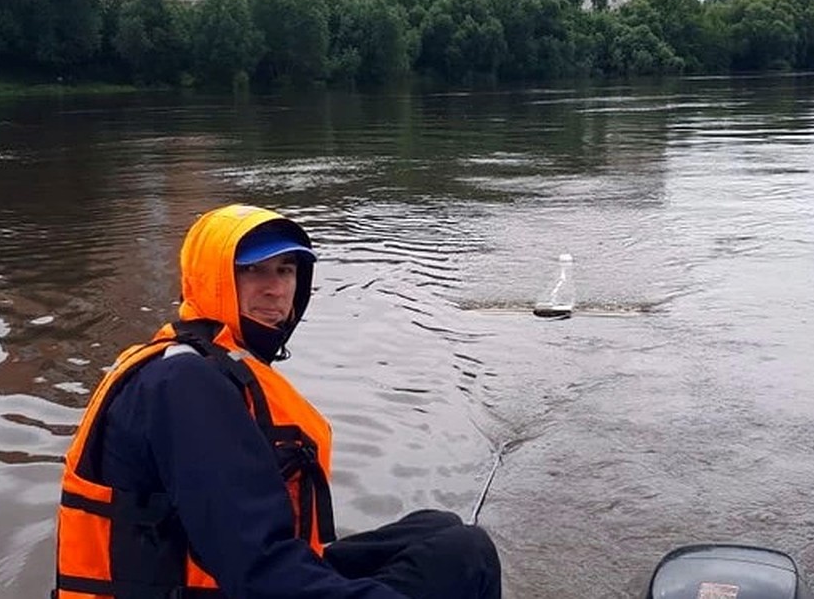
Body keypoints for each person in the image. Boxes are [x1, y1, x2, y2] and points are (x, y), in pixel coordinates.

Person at [53, 204, 501, 599]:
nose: (276, 289)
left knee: (436, 529)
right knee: (468, 555)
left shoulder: (204, 361)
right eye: (253, 270)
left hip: (215, 579)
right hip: (230, 583)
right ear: (213, 280)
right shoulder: (185, 382)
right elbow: (257, 570)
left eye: (286, 270)